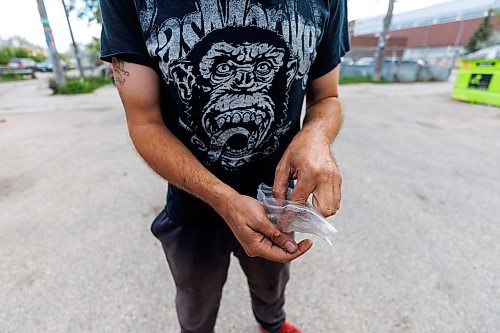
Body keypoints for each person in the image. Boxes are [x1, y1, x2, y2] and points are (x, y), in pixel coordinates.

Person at [99, 0, 349, 332]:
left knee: (271, 287)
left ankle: (271, 325)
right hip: (193, 206)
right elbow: (144, 121)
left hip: (276, 206)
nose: (245, 80)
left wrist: (316, 135)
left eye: (261, 69)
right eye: (224, 68)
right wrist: (223, 198)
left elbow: (327, 97)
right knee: (195, 301)